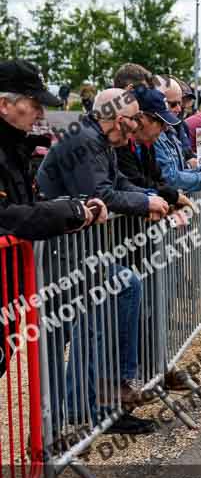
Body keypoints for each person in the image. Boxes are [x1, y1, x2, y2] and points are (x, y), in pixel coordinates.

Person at [37, 88, 165, 434]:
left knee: (89, 325)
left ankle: (86, 409)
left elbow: (117, 182)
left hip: (74, 250)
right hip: (60, 253)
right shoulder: (86, 141)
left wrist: (151, 198)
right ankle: (90, 406)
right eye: (131, 121)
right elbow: (100, 195)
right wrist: (145, 204)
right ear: (115, 117)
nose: (133, 129)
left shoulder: (98, 139)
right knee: (110, 299)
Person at [0, 60, 103, 241]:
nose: (41, 115)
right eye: (35, 105)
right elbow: (6, 217)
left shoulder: (18, 148)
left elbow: (29, 205)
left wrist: (77, 206)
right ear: (4, 105)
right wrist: (70, 212)